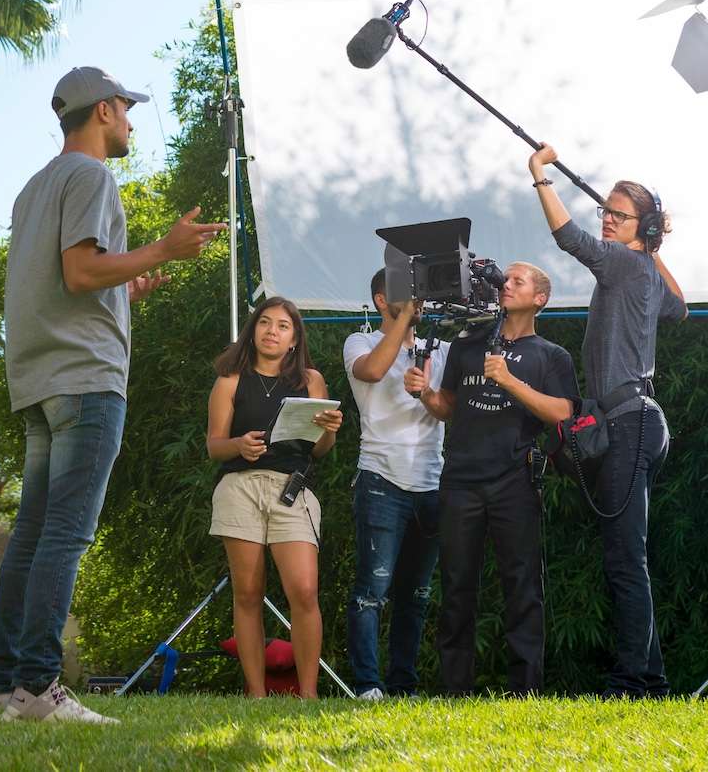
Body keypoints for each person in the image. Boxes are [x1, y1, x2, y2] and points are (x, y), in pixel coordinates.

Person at [0, 66, 226, 724]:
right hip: (86, 383)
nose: (130, 122)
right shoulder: (92, 176)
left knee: (32, 537)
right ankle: (38, 690)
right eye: (125, 109)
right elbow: (80, 267)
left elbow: (70, 286)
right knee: (64, 535)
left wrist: (126, 291)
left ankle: (1, 686)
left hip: (38, 380)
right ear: (101, 111)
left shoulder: (36, 187)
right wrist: (163, 250)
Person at [527, 143, 688, 699]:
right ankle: (653, 680)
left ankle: (629, 682)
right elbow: (679, 303)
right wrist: (651, 241)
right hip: (638, 422)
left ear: (638, 225)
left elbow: (569, 239)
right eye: (606, 213)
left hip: (628, 424)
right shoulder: (640, 269)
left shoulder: (622, 263)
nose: (606, 222)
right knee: (628, 556)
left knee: (624, 559)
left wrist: (540, 177)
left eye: (617, 216)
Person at [419, 262, 579, 695]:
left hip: (516, 480)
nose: (505, 285)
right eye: (505, 279)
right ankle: (454, 691)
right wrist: (424, 394)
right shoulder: (466, 344)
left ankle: (524, 690)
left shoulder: (551, 355)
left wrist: (509, 381)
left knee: (522, 584)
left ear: (539, 298)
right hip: (460, 480)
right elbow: (448, 407)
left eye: (518, 281)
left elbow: (563, 414)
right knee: (456, 584)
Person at [207, 296, 344, 699]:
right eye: (265, 323)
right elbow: (214, 446)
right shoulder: (230, 379)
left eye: (283, 326)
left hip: (292, 488)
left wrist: (330, 429)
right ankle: (256, 692)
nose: (272, 331)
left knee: (303, 590)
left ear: (294, 338)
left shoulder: (310, 380)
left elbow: (319, 450)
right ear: (253, 332)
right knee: (248, 592)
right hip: (239, 487)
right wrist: (239, 445)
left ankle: (308, 693)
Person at [342, 270, 449, 699]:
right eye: (408, 297)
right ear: (382, 300)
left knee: (417, 594)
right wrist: (402, 322)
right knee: (373, 590)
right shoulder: (361, 340)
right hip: (380, 478)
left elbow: (452, 411)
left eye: (420, 297)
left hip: (432, 481)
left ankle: (404, 685)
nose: (418, 303)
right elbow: (371, 372)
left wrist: (426, 393)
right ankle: (368, 684)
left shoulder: (439, 350)